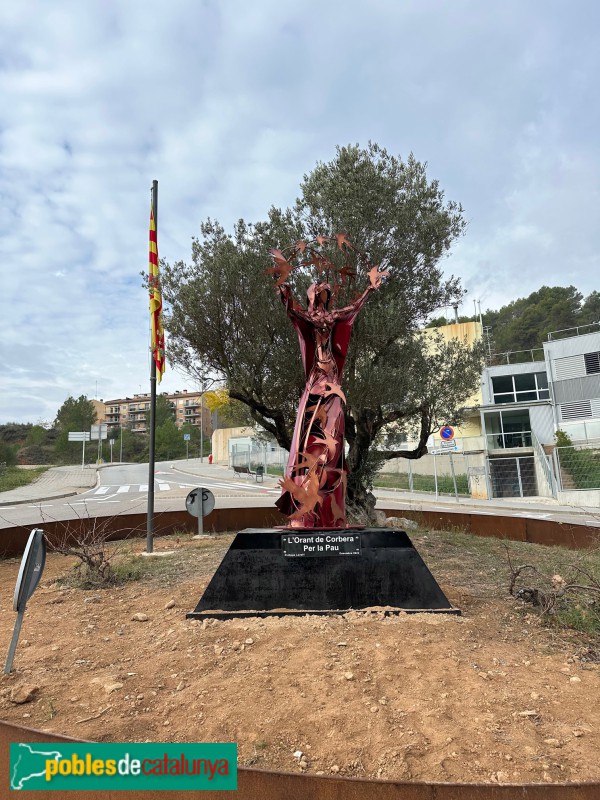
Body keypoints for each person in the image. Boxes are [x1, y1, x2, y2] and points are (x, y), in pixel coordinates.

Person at [275, 266, 385, 528]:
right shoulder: (309, 317)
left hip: (332, 380)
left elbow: (352, 311)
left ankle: (330, 505)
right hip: (316, 382)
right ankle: (307, 503)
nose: (325, 296)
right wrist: (285, 293)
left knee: (334, 430)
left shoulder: (333, 315)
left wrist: (370, 289)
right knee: (309, 434)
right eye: (321, 293)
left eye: (327, 293)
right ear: (314, 295)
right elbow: (292, 313)